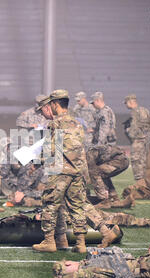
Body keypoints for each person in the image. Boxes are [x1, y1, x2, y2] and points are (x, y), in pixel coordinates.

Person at [32, 90, 120, 254]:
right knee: (77, 206)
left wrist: (36, 161)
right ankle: (80, 244)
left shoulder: (56, 123)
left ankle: (49, 241)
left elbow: (52, 148)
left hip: (60, 170)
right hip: (77, 171)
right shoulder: (77, 123)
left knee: (50, 203)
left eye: (51, 104)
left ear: (55, 104)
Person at [0, 209, 150, 244]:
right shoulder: (2, 227)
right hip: (63, 216)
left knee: (105, 215)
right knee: (105, 216)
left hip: (58, 216)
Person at [123, 94, 150, 189]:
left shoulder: (134, 112)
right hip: (146, 141)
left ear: (130, 102)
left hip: (138, 141)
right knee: (146, 162)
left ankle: (140, 185)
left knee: (136, 161)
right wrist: (147, 135)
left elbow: (134, 127)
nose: (126, 105)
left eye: (126, 103)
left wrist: (129, 133)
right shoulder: (145, 110)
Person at [86, 144, 131, 209]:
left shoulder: (88, 154)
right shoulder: (89, 150)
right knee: (103, 175)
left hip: (118, 161)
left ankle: (105, 201)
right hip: (123, 160)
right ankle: (114, 199)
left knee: (96, 174)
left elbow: (93, 173)